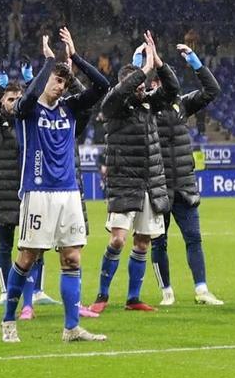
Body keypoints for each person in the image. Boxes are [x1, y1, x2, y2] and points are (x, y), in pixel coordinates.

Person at [0, 28, 110, 345]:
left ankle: (72, 327)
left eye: (64, 81)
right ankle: (9, 321)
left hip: (69, 192)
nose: (60, 86)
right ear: (45, 77)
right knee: (27, 257)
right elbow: (26, 99)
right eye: (55, 79)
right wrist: (49, 60)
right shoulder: (28, 109)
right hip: (37, 192)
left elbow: (102, 86)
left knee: (72, 258)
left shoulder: (70, 107)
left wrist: (74, 58)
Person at [87, 33, 170, 317]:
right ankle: (102, 295)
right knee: (118, 240)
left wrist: (158, 63)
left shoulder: (147, 104)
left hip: (150, 182)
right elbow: (120, 93)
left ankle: (133, 297)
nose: (142, 88)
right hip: (124, 183)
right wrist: (143, 70)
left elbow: (172, 90)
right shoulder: (114, 107)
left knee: (143, 241)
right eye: (137, 84)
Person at [149, 39, 223, 306]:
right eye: (157, 82)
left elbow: (212, 90)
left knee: (194, 238)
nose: (163, 87)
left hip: (184, 186)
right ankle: (166, 291)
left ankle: (201, 290)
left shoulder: (182, 103)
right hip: (159, 187)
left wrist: (197, 64)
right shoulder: (146, 108)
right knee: (159, 243)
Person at [0, 64, 45, 321]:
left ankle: (33, 294)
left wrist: (29, 85)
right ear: (2, 101)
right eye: (10, 98)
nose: (15, 102)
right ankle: (7, 292)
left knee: (34, 246)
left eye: (19, 99)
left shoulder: (29, 120)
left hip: (30, 192)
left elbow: (38, 101)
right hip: (3, 194)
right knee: (4, 246)